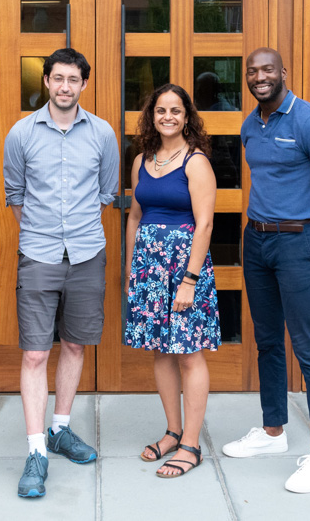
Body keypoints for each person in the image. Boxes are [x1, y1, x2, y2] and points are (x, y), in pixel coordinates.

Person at [222, 48, 310, 494]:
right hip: (256, 239)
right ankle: (273, 431)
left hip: (299, 240)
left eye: (268, 70)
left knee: (308, 347)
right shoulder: (249, 125)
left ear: (283, 74)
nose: (260, 77)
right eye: (252, 72)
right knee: (268, 341)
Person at [3, 48, 120, 498]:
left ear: (84, 85)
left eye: (73, 79)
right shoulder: (21, 133)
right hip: (38, 254)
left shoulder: (103, 133)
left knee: (74, 343)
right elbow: (15, 194)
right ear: (47, 82)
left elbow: (107, 191)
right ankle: (36, 452)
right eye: (58, 79)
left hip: (88, 253)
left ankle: (60, 429)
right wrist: (42, 233)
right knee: (35, 353)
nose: (65, 87)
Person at [125, 84, 221, 478]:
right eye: (160, 110)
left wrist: (189, 280)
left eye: (175, 111)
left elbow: (206, 224)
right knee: (160, 351)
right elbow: (134, 215)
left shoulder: (196, 162)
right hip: (149, 269)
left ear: (187, 117)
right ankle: (172, 431)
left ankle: (192, 445)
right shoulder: (141, 160)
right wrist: (134, 268)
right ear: (151, 116)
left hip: (184, 267)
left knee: (188, 353)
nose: (167, 116)